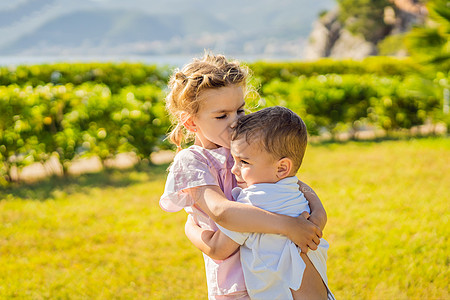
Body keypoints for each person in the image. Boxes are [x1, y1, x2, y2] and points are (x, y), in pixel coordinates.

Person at [159, 52, 327, 299]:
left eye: (240, 110)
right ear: (192, 123)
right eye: (222, 115)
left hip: (273, 271)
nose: (236, 122)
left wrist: (318, 214)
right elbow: (222, 211)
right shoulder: (192, 161)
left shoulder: (247, 145)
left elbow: (295, 183)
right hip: (235, 283)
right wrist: (289, 226)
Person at [185, 106, 335, 299]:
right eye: (234, 160)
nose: (234, 170)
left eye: (244, 162)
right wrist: (319, 212)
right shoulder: (294, 191)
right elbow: (302, 185)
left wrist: (190, 227)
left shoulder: (253, 201)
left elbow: (217, 248)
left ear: (282, 168)